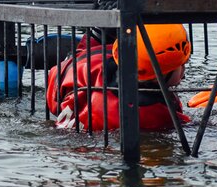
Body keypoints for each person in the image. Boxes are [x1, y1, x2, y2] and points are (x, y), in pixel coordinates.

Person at [47, 24, 192, 131]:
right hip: (97, 150)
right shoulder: (157, 114)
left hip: (69, 143)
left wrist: (96, 36)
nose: (184, 70)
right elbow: (188, 126)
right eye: (182, 64)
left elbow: (73, 63)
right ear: (161, 74)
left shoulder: (87, 67)